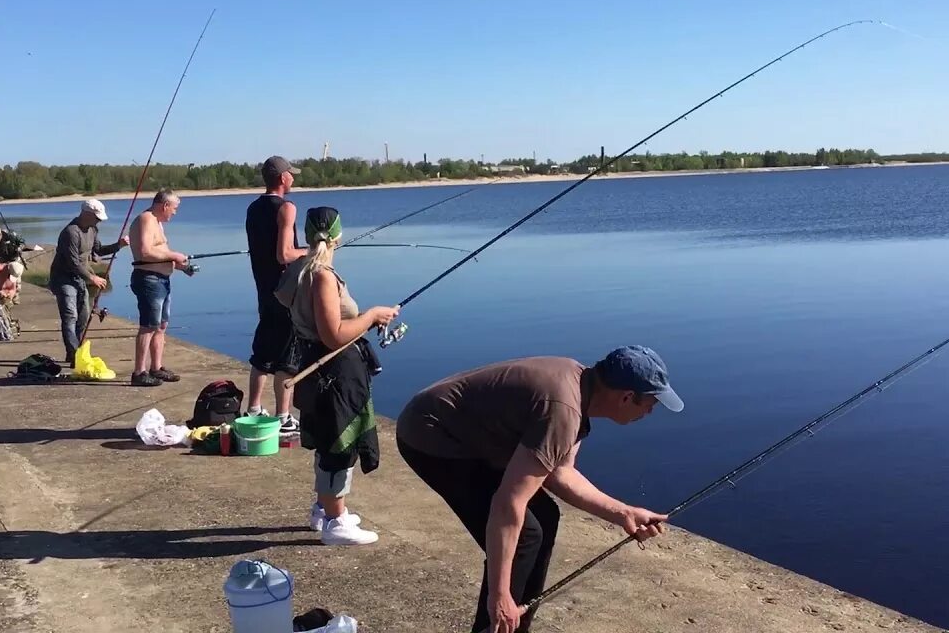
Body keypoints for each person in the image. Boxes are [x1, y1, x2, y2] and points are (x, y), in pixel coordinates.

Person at [395, 346, 683, 633]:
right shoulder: (563, 411)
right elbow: (508, 502)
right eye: (650, 404)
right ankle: (496, 623)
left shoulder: (580, 387)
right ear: (626, 397)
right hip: (431, 435)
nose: (649, 412)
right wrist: (499, 597)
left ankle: (517, 626)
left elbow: (560, 472)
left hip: (468, 432)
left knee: (545, 517)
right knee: (525, 535)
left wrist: (624, 513)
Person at [275, 206, 399, 545]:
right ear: (338, 236)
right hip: (334, 370)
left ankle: (323, 508)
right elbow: (334, 335)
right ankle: (335, 520)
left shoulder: (298, 270)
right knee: (339, 441)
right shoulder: (322, 276)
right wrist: (373, 315)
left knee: (329, 436)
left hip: (314, 365)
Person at [245, 155, 307, 433]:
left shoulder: (253, 208)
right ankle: (283, 417)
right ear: (282, 178)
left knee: (262, 352)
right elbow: (284, 255)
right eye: (291, 174)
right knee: (287, 356)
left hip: (263, 289)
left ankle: (254, 408)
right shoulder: (287, 208)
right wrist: (313, 251)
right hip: (284, 293)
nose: (293, 178)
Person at [49, 199, 129, 365]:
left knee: (84, 316)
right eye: (96, 217)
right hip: (63, 278)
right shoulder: (71, 232)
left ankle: (76, 352)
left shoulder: (93, 229)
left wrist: (119, 245)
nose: (99, 221)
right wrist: (92, 277)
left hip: (79, 278)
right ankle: (74, 354)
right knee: (70, 316)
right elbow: (72, 262)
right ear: (86, 214)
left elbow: (98, 250)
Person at [127, 189, 194, 387]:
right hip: (149, 280)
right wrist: (174, 256)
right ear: (165, 205)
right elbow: (145, 252)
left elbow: (161, 253)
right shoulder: (146, 219)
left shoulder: (157, 222)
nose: (174, 212)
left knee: (161, 325)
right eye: (174, 208)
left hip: (162, 279)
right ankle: (139, 372)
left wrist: (181, 266)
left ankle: (156, 367)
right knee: (148, 326)